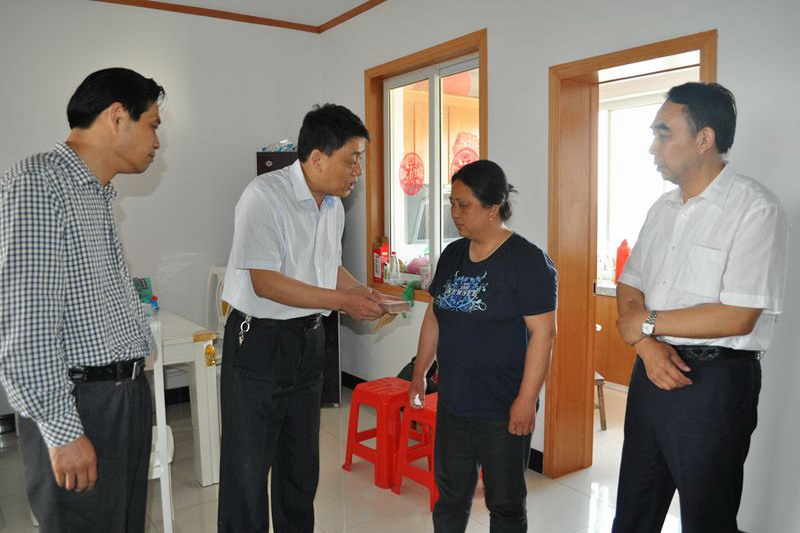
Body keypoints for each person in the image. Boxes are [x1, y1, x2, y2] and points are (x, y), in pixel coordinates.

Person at [612, 82, 789, 533]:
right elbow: (630, 283)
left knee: (707, 518)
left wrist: (647, 323)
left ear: (704, 138)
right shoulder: (661, 208)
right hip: (651, 370)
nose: (653, 147)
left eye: (663, 133)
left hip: (714, 383)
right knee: (633, 510)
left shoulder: (755, 209)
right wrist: (647, 346)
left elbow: (738, 314)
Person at [0, 68, 165, 532]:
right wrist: (63, 431)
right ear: (117, 116)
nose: (157, 142)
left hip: (122, 395)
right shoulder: (39, 183)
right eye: (153, 125)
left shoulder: (96, 192)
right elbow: (26, 328)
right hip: (81, 403)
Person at [217, 103, 385, 533]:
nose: (358, 171)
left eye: (360, 159)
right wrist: (342, 301)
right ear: (317, 158)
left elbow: (326, 265)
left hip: (308, 342)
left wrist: (359, 291)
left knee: (300, 467)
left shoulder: (333, 206)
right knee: (247, 471)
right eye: (352, 159)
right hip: (259, 343)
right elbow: (266, 282)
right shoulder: (264, 196)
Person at [408, 160, 557, 533]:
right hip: (454, 404)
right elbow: (434, 316)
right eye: (452, 203)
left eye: (464, 205)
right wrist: (420, 373)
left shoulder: (527, 261)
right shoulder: (453, 255)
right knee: (449, 498)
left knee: (504, 503)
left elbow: (544, 334)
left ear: (493, 208)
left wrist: (526, 399)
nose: (455, 213)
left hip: (502, 408)